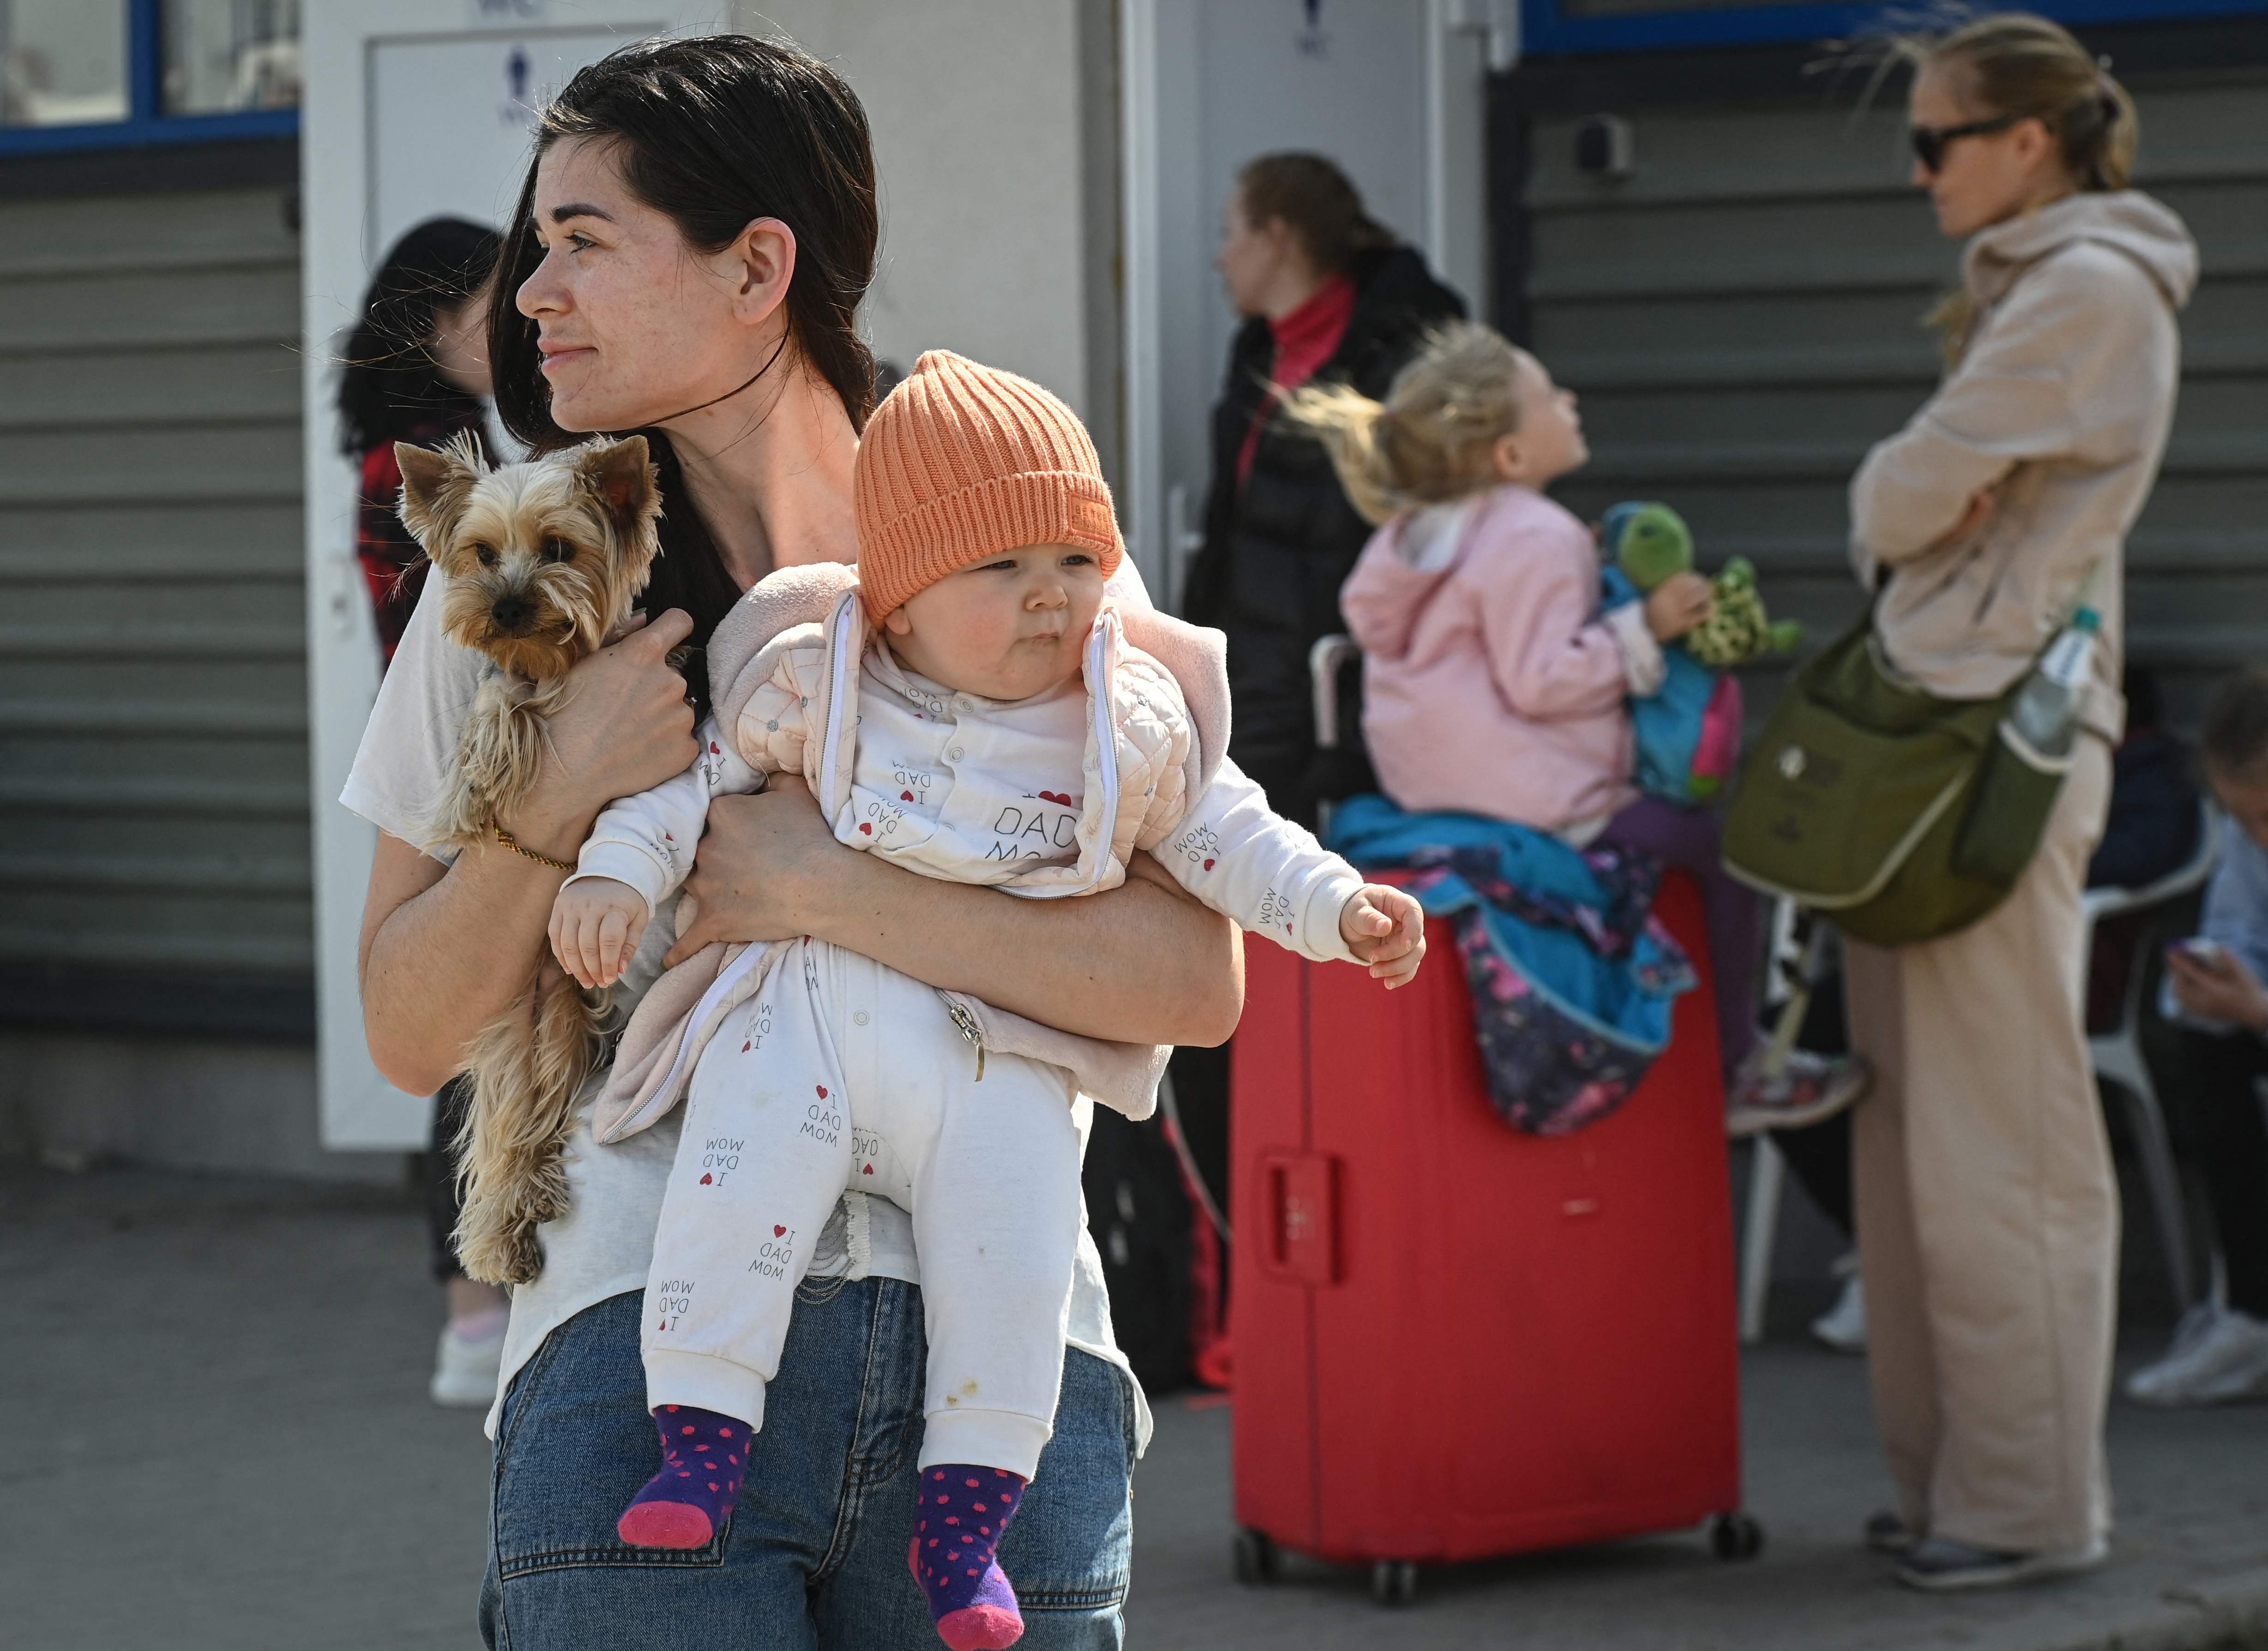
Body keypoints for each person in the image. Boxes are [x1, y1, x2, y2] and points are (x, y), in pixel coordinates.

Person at [344, 37, 1242, 1649]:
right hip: (638, 1363)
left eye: (581, 239)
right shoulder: (522, 585)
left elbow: (1192, 973)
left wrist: (824, 884)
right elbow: (408, 1027)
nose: (531, 290)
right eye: (534, 243)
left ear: (761, 264)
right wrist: (556, 805)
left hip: (1003, 1380)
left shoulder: (1017, 538)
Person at [545, 350, 1421, 1644]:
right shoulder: (818, 677)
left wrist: (1338, 909)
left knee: (1013, 1259)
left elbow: (1233, 835)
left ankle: (966, 1528)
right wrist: (616, 873)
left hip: (990, 1059)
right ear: (895, 603)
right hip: (811, 1023)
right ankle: (703, 1434)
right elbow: (690, 792)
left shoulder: (1124, 722)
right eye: (1000, 569)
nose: (1049, 600)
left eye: (1075, 562)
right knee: (733, 1185)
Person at [1840, 13, 2196, 1590]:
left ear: (2027, 142)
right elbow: (1921, 492)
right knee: (1918, 1120)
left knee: (2005, 1126)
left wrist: (1906, 487)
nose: (1917, 171)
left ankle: (2026, 1501)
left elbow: (1898, 493)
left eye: (1935, 141)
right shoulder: (2040, 290)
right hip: (1950, 730)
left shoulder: (2085, 292)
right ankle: (1949, 1484)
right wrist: (1917, 487)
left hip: (2000, 737)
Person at [1301, 320, 1865, 1132]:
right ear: (1509, 456)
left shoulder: (1409, 536)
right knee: (1720, 853)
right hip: (1538, 798)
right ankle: (1741, 1065)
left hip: (1429, 793)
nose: (1569, 400)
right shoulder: (1537, 532)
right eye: (1547, 396)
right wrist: (1647, 625)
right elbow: (1543, 680)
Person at [1171, 153, 1465, 1379]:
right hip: (1259, 703)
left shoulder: (1413, 336)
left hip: (1351, 721)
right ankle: (1251, 1289)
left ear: (1284, 233)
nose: (1220, 256)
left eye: (1233, 231)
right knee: (1246, 992)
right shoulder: (1257, 353)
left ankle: (1367, 1290)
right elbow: (1235, 539)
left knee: (1341, 979)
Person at [335, 215, 507, 1407]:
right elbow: (450, 635)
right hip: (455, 780)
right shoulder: (417, 466)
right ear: (435, 321)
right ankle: (467, 1308)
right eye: (494, 303)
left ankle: (477, 1297)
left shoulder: (449, 444)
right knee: (456, 1036)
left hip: (463, 771)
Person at [2126, 668, 2268, 1406]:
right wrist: (2211, 984)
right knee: (2203, 1045)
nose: (2255, 837)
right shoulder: (2250, 840)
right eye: (2239, 819)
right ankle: (2250, 1316)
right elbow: (2237, 928)